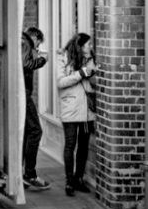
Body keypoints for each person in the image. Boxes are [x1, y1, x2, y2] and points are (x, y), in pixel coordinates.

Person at [57, 32, 96, 196]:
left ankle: (79, 178)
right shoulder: (64, 58)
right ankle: (69, 181)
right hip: (71, 108)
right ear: (80, 46)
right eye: (88, 45)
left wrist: (92, 74)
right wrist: (81, 73)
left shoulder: (92, 60)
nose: (90, 47)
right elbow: (61, 82)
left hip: (87, 112)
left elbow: (95, 82)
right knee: (70, 144)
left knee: (83, 146)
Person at [21, 27, 50, 190]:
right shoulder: (26, 43)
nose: (38, 45)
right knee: (36, 131)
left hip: (21, 93)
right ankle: (30, 174)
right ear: (36, 37)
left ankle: (21, 173)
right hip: (24, 93)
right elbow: (27, 64)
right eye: (38, 42)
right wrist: (43, 60)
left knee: (25, 132)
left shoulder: (21, 41)